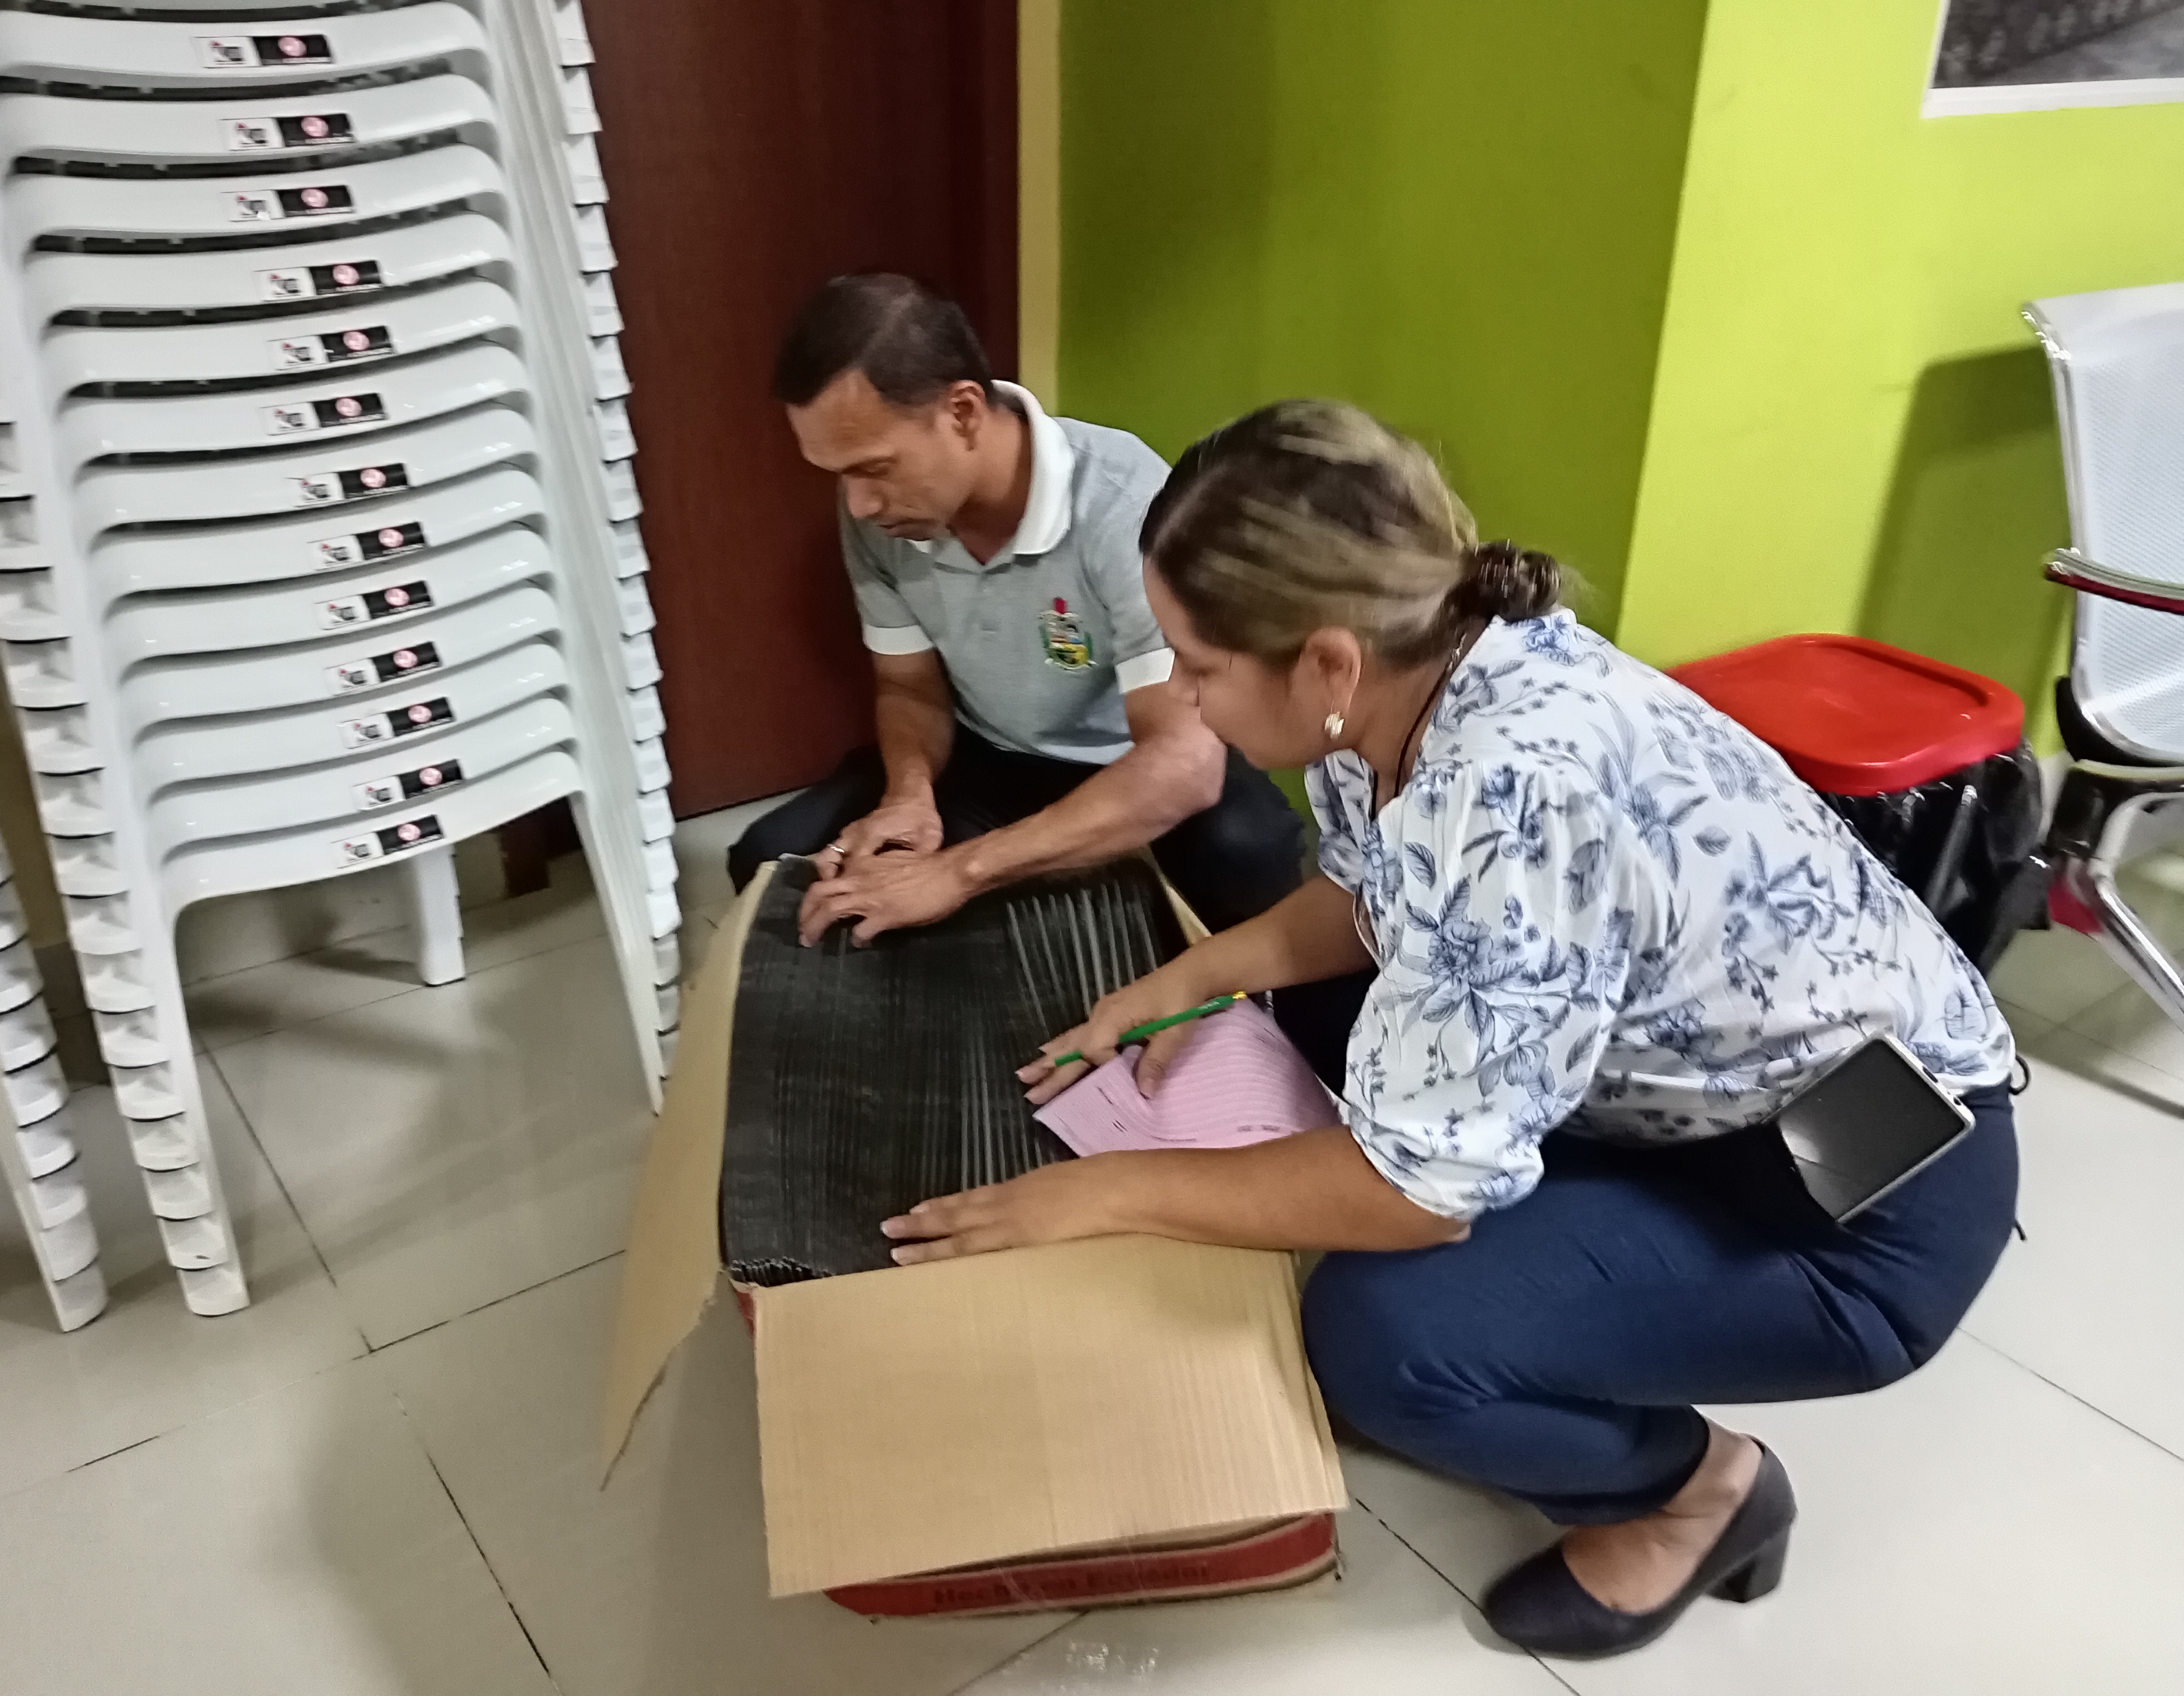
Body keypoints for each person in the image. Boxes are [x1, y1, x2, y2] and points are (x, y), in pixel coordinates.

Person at [876, 400, 2018, 1660]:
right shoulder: (1412, 671)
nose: (1181, 698)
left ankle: (1697, 1491)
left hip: (1850, 1199)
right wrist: (1195, 975)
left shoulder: (1508, 792)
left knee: (1383, 1336)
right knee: (1314, 1007)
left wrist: (1104, 1195)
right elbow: (1378, 902)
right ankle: (1548, 1294)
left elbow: (1414, 1196)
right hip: (1699, 1089)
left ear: (1323, 663)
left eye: (1196, 667)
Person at [729, 273, 1305, 946]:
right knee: (773, 860)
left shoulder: (1125, 504)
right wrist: (910, 794)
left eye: (875, 468)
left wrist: (960, 871)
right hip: (988, 753)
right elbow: (908, 686)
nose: (857, 504)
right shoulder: (882, 518)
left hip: (1129, 755)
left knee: (1248, 848)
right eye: (841, 475)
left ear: (963, 412)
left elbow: (1183, 759)